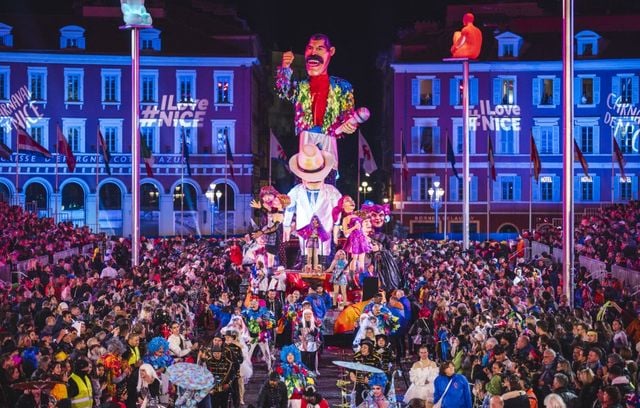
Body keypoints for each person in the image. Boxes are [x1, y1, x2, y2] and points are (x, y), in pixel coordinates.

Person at [276, 33, 359, 182]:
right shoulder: (301, 86)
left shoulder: (342, 86)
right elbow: (283, 91)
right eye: (310, 48)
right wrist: (285, 68)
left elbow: (348, 114)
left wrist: (350, 124)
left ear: (331, 52)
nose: (313, 53)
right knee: (303, 175)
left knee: (328, 177)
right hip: (306, 137)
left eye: (319, 48)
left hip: (329, 136)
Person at [283, 144, 342, 267]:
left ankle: (323, 266)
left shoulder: (331, 191)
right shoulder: (296, 191)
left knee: (324, 249)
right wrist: (287, 225)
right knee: (306, 249)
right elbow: (289, 208)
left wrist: (336, 226)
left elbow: (338, 209)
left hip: (325, 226)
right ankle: (306, 265)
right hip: (304, 226)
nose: (313, 180)